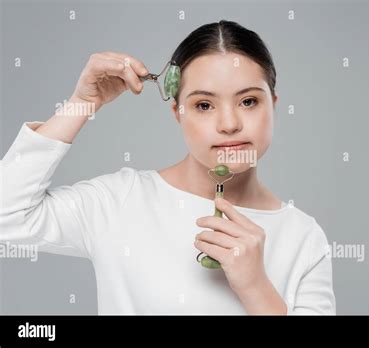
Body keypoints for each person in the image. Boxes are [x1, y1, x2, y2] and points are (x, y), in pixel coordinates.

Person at [0, 20, 336, 315]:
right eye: (204, 104)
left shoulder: (304, 238)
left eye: (248, 101)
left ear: (273, 105)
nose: (230, 123)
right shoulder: (122, 201)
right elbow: (7, 218)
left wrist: (256, 288)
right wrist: (82, 104)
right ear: (178, 112)